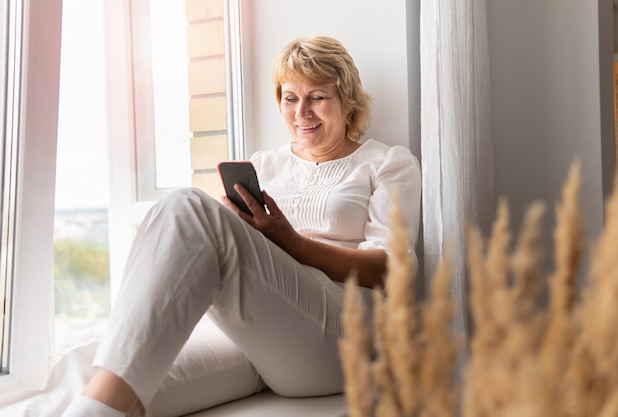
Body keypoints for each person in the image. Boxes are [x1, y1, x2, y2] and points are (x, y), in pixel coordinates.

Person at [61, 36, 421, 417]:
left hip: (343, 336)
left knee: (187, 206)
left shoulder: (386, 163)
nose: (302, 112)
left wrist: (292, 243)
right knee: (86, 369)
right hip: (266, 335)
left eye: (317, 97)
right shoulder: (265, 165)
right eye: (289, 98)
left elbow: (390, 270)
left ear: (348, 100)